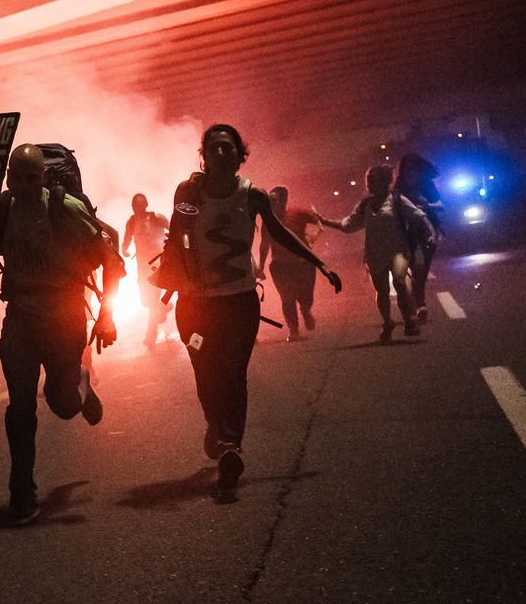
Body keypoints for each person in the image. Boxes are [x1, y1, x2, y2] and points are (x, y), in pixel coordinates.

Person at [0, 143, 125, 523]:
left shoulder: (65, 208)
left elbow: (112, 263)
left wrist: (107, 316)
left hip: (65, 316)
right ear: (8, 178)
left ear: (44, 178)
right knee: (20, 408)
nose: (24, 185)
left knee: (63, 404)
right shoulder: (3, 208)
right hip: (20, 318)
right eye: (17, 177)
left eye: (32, 177)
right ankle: (22, 491)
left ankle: (79, 384)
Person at [158, 125, 341, 500]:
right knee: (203, 367)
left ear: (240, 155)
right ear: (204, 155)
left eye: (229, 149)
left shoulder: (253, 196)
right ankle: (214, 420)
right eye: (215, 148)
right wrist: (180, 277)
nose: (222, 155)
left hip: (239, 304)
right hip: (194, 308)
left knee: (233, 371)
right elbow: (178, 235)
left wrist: (319, 263)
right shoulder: (188, 193)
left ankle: (230, 446)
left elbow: (278, 233)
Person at [317, 164, 434, 342]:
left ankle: (409, 319)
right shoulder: (365, 204)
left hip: (398, 250)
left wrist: (431, 233)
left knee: (400, 281)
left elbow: (418, 215)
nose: (369, 184)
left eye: (374, 180)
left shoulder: (397, 200)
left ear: (386, 182)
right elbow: (348, 225)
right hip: (374, 254)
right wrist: (324, 221)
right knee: (382, 291)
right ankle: (387, 322)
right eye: (368, 181)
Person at [257, 185, 323, 342]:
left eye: (275, 201)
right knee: (287, 298)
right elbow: (264, 244)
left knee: (305, 295)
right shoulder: (268, 222)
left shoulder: (297, 214)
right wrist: (260, 266)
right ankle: (294, 331)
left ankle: (306, 311)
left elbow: (318, 221)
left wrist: (314, 235)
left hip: (303, 264)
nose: (271, 205)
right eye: (269, 201)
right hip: (280, 266)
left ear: (284, 201)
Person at [393, 153, 443, 321]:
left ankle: (417, 301)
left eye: (413, 168)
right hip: (408, 231)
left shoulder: (426, 184)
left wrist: (427, 205)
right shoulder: (398, 186)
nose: (410, 172)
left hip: (428, 229)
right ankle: (420, 304)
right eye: (407, 169)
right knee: (417, 266)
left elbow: (440, 205)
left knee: (422, 269)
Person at [122, 192, 172, 348]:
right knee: (147, 300)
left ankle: (151, 335)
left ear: (146, 205)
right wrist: (124, 250)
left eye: (140, 205)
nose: (138, 208)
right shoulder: (131, 222)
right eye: (136, 205)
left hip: (158, 263)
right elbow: (127, 238)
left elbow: (173, 231)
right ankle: (164, 308)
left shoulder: (157, 217)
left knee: (152, 299)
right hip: (142, 265)